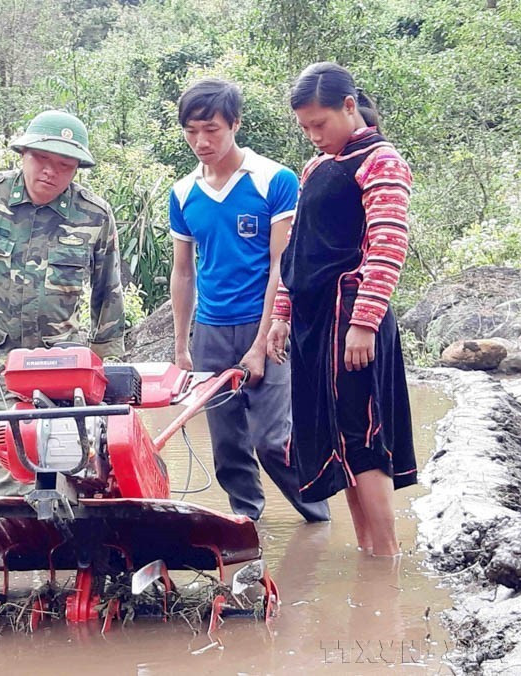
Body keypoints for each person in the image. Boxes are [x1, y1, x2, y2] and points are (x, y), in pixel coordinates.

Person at [0, 110, 125, 496]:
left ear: (77, 169)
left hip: (60, 368)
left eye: (64, 165)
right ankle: (17, 555)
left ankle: (69, 552)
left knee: (67, 474)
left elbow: (107, 294)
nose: (50, 172)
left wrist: (107, 374)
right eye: (42, 159)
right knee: (11, 476)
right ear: (23, 154)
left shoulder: (94, 216)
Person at [267, 62, 417, 556]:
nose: (313, 136)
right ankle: (368, 552)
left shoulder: (381, 161)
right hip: (315, 323)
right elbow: (298, 252)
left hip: (352, 318)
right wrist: (282, 316)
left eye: (320, 124)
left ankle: (387, 556)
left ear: (349, 106)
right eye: (305, 127)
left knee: (362, 434)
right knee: (337, 441)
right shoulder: (316, 168)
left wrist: (364, 323)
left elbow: (387, 244)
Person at [169, 78, 329, 523]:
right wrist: (182, 345)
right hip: (212, 331)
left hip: (268, 326)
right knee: (226, 445)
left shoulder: (272, 180)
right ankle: (246, 525)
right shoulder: (183, 193)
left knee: (272, 439)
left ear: (235, 124)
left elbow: (282, 264)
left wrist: (260, 345)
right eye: (192, 131)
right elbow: (183, 271)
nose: (201, 141)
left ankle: (317, 516)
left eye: (212, 129)